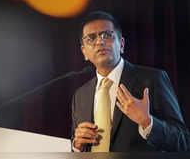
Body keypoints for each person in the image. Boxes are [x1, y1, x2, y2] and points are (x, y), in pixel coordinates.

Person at [71, 10, 190, 152]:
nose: (100, 41)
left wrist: (147, 122)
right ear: (84, 52)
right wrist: (77, 146)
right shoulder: (80, 95)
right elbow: (78, 144)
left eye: (107, 35)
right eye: (91, 38)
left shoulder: (153, 80)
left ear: (121, 44)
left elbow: (183, 142)